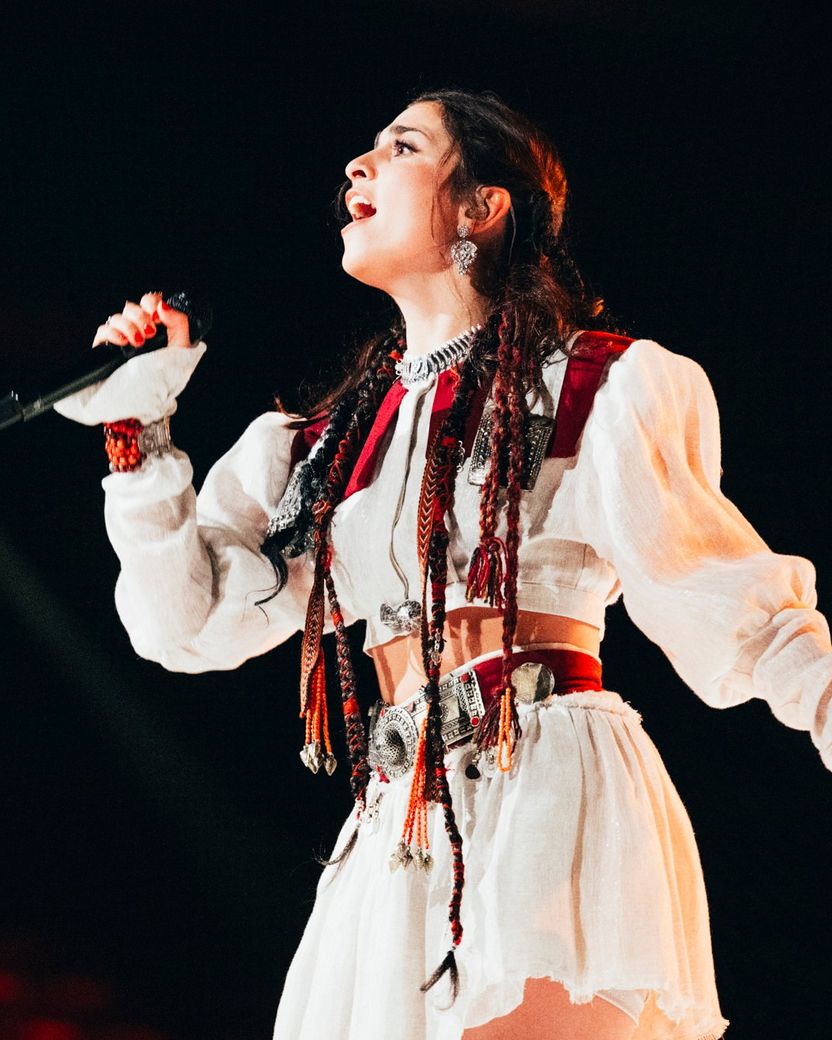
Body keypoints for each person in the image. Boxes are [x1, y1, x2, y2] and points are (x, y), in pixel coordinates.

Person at [54, 89, 831, 1040]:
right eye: (365, 150)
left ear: (479, 208)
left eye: (401, 146)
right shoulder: (325, 444)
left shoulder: (596, 384)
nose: (358, 165)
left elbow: (735, 607)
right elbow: (188, 628)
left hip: (544, 777)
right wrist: (138, 438)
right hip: (398, 820)